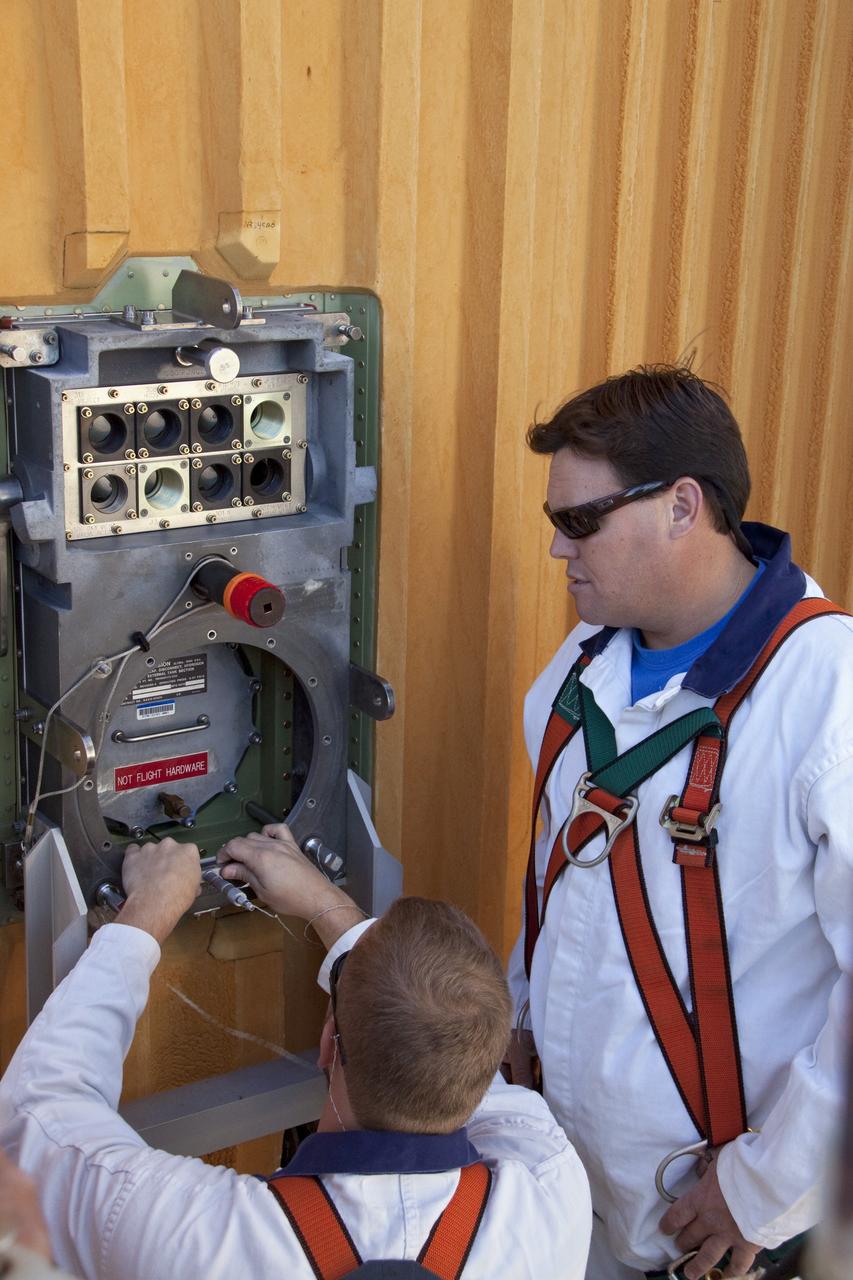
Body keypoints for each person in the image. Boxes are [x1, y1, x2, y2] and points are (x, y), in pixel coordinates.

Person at [505, 364, 853, 1280]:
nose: (558, 549)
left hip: (732, 1231)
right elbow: (560, 878)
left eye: (580, 520)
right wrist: (518, 1013)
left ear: (682, 506)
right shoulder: (579, 672)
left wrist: (764, 1188)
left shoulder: (828, 697)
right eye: (554, 520)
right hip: (575, 1197)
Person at [0, 830, 591, 1280]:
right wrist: (325, 903)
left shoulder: (197, 1241)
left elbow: (36, 1114)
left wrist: (147, 913)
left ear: (328, 1043)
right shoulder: (552, 1191)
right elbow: (449, 1047)